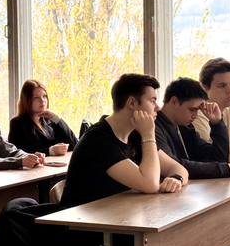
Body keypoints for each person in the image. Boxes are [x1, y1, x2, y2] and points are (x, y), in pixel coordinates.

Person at [61, 73, 188, 208]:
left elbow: (179, 169)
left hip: (117, 213)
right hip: (84, 220)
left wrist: (176, 178)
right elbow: (150, 184)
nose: (158, 107)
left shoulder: (135, 134)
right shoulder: (98, 140)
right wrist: (148, 135)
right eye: (152, 100)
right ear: (132, 103)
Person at [154, 77, 230, 179]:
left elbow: (217, 159)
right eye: (192, 109)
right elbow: (175, 166)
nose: (195, 116)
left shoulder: (185, 128)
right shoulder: (153, 128)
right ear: (174, 101)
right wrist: (225, 169)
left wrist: (217, 123)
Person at [8, 79, 77, 155]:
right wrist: (50, 151)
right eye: (36, 97)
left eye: (44, 96)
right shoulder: (18, 123)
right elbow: (18, 154)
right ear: (27, 100)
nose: (42, 101)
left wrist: (56, 118)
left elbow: (74, 144)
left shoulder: (49, 120)